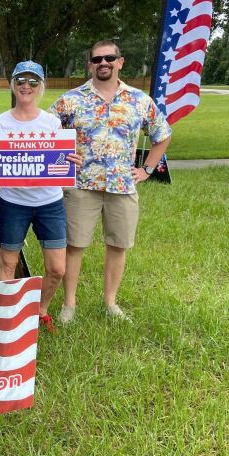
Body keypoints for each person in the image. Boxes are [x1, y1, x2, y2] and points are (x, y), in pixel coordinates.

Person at [49, 40, 171, 322]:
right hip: (81, 185)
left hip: (122, 186)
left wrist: (148, 169)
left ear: (120, 62)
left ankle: (110, 302)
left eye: (109, 58)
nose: (103, 63)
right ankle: (69, 305)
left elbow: (162, 134)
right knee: (74, 245)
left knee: (118, 245)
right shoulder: (71, 99)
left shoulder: (139, 100)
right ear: (90, 64)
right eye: (97, 59)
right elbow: (46, 130)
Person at [0, 61, 82, 331]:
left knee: (57, 268)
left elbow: (61, 158)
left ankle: (39, 311)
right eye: (21, 80)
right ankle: (6, 316)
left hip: (50, 202)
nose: (26, 86)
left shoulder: (52, 122)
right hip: (14, 202)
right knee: (7, 261)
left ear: (40, 86)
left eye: (33, 81)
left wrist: (71, 160)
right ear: (13, 84)